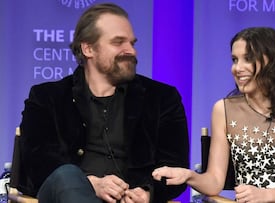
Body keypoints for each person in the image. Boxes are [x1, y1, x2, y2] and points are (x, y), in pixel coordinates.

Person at [18, 3, 189, 203]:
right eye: (119, 42)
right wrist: (90, 184)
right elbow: (37, 163)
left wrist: (147, 192)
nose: (131, 51)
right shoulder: (47, 97)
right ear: (88, 48)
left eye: (132, 43)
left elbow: (175, 168)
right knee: (67, 176)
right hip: (67, 196)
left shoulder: (162, 98)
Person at [153, 27, 275, 202]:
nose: (237, 68)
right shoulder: (223, 110)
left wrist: (268, 195)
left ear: (273, 61)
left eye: (248, 59)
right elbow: (214, 181)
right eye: (234, 59)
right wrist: (188, 175)